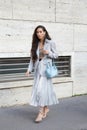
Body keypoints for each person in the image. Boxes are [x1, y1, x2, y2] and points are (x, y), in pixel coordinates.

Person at [26, 25, 59, 123]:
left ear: (45, 32)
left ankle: (40, 113)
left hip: (46, 71)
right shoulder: (35, 44)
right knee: (42, 91)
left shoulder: (51, 42)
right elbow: (33, 59)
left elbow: (56, 55)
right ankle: (46, 108)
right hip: (37, 71)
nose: (39, 33)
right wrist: (29, 70)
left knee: (40, 91)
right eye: (37, 32)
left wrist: (48, 52)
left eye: (41, 31)